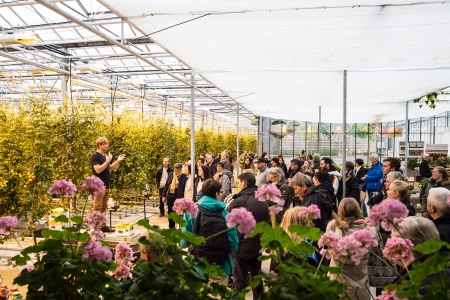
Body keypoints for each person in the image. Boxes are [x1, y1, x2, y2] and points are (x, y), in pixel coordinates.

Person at [180, 179, 238, 280]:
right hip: (221, 267)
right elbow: (233, 244)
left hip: (197, 266)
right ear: (216, 194)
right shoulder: (227, 215)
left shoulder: (191, 212)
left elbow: (183, 242)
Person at [226, 173, 270, 300]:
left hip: (241, 247)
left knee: (239, 282)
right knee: (257, 280)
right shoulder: (262, 200)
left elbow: (226, 219)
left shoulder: (240, 201)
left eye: (239, 183)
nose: (238, 186)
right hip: (257, 246)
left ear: (244, 183)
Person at [326, 198, 376, 300]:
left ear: (340, 212)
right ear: (358, 210)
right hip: (360, 286)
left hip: (337, 285)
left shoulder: (333, 231)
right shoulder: (368, 232)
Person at [391, 217, 449, 295]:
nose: (389, 247)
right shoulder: (443, 271)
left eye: (393, 242)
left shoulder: (413, 282)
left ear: (404, 246)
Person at [90, 137, 126, 233]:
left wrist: (117, 161)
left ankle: (103, 226)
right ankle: (95, 227)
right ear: (100, 145)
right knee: (97, 207)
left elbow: (108, 168)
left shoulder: (105, 155)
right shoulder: (95, 156)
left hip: (106, 185)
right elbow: (98, 169)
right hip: (99, 186)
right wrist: (108, 160)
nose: (107, 145)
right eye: (105, 143)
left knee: (104, 207)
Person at [162, 163, 188, 228]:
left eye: (177, 168)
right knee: (171, 213)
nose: (176, 170)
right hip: (170, 197)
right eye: (175, 168)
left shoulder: (184, 177)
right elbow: (166, 185)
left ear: (180, 169)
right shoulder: (171, 174)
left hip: (178, 198)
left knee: (179, 213)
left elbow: (185, 188)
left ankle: (179, 228)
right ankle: (171, 227)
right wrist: (163, 195)